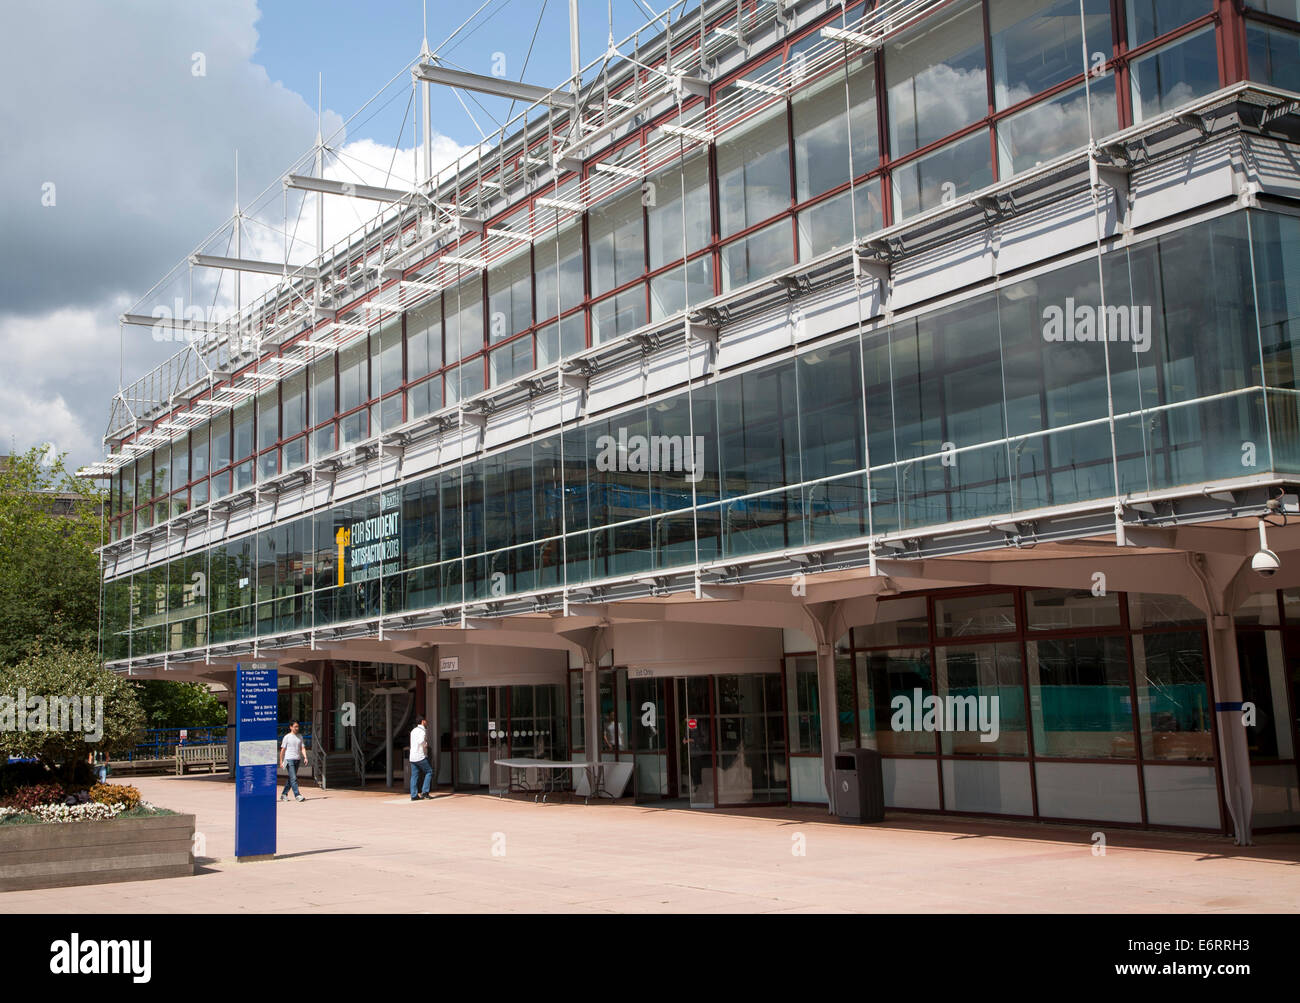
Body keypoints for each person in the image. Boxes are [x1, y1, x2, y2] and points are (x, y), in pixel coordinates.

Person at [279, 721, 306, 802]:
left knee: (291, 778)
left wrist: (305, 757)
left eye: (298, 726)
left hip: (297, 759)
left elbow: (302, 748)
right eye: (295, 726)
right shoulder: (287, 737)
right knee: (293, 778)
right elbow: (283, 750)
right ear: (291, 727)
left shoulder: (300, 736)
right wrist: (280, 761)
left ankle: (284, 794)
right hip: (289, 759)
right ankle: (297, 795)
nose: (297, 728)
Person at [409, 716, 432, 801]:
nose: (427, 722)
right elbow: (421, 741)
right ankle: (425, 792)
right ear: (423, 721)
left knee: (414, 775)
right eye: (426, 721)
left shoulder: (413, 731)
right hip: (420, 756)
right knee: (429, 771)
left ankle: (414, 795)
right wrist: (425, 744)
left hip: (412, 757)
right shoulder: (422, 731)